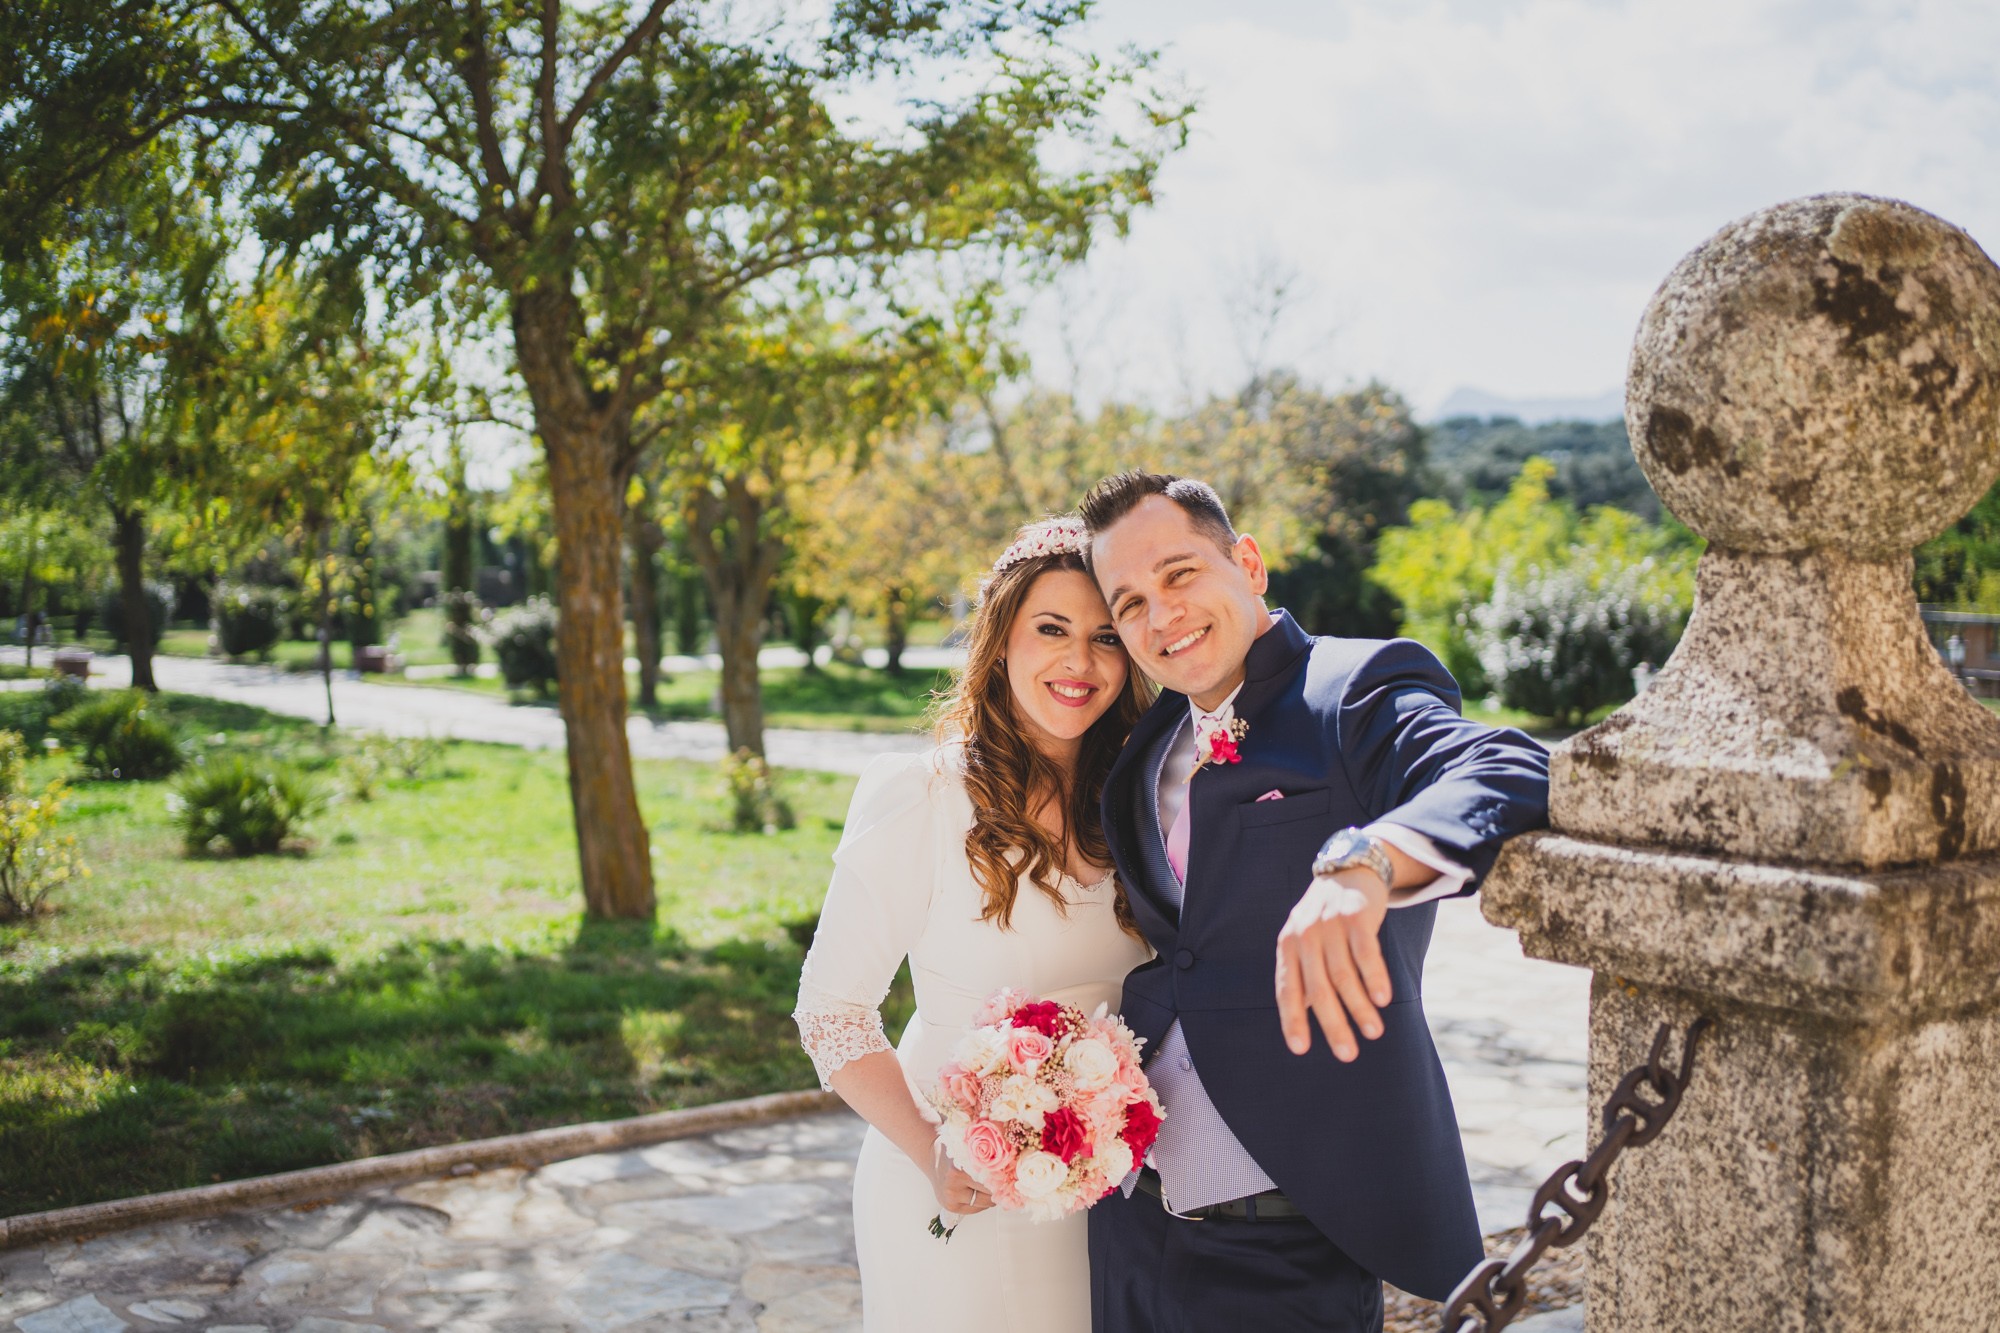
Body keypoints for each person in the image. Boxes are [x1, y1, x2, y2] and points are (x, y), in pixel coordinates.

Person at [1078, 472, 1552, 1333]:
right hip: (1128, 1220)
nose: (1161, 614)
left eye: (1180, 574)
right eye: (1131, 602)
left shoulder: (1357, 687)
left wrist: (1360, 864)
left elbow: (1507, 767)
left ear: (1248, 563)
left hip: (1289, 1238)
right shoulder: (1145, 749)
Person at [793, 516, 1154, 1332]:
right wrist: (934, 1150)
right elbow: (832, 1014)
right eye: (1051, 628)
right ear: (1000, 640)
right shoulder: (921, 796)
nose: (1079, 661)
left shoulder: (1142, 803)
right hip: (956, 1185)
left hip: (1110, 1194)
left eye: (1105, 636)